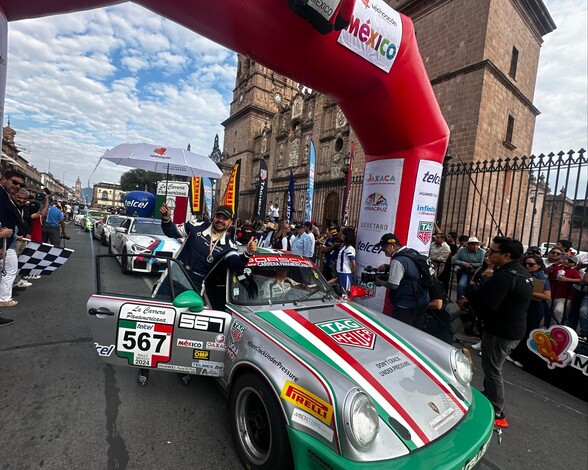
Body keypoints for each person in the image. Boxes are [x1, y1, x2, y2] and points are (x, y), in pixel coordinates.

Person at [142, 204, 257, 387]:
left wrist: (248, 254)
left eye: (225, 218)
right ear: (214, 217)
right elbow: (172, 232)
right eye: (218, 216)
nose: (220, 220)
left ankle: (182, 368)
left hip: (194, 287)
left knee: (186, 330)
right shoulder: (196, 226)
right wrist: (166, 219)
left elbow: (236, 265)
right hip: (172, 279)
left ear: (230, 222)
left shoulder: (229, 245)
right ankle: (144, 364)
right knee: (155, 321)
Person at [458, 236, 532, 428]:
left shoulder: (505, 277)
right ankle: (489, 395)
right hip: (509, 328)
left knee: (492, 368)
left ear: (506, 255)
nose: (489, 254)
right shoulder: (519, 272)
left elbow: (487, 305)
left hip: (502, 330)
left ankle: (497, 408)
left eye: (493, 251)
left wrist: (472, 296)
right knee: (492, 366)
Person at [375, 233, 430, 326]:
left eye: (383, 247)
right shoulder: (411, 252)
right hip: (421, 298)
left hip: (406, 302)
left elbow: (393, 285)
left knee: (399, 329)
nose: (382, 250)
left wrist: (380, 282)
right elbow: (411, 268)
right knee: (416, 329)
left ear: (392, 246)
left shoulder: (397, 261)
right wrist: (389, 267)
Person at [509, 255, 551, 367]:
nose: (528, 266)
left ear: (539, 266)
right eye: (526, 264)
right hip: (524, 305)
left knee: (529, 331)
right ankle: (514, 353)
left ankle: (523, 357)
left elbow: (547, 296)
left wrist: (529, 292)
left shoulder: (542, 278)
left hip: (536, 306)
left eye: (531, 264)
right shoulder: (524, 275)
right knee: (519, 328)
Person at [0, 170, 26, 308]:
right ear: (4, 179)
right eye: (14, 182)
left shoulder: (6, 195)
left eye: (20, 185)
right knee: (10, 269)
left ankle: (4, 297)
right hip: (3, 242)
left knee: (10, 269)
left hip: (8, 242)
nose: (17, 186)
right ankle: (4, 298)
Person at [547, 254, 581, 325]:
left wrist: (566, 279)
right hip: (551, 294)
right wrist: (555, 264)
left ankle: (556, 327)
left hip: (565, 297)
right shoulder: (557, 267)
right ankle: (548, 326)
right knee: (548, 311)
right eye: (567, 260)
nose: (567, 262)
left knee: (558, 310)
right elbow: (546, 272)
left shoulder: (574, 271)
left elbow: (579, 280)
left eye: (570, 261)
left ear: (574, 264)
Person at [335, 227, 356, 294]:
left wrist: (351, 273)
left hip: (345, 274)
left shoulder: (349, 248)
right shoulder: (344, 247)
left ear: (347, 236)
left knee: (344, 294)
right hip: (340, 273)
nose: (341, 235)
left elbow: (353, 263)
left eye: (343, 234)